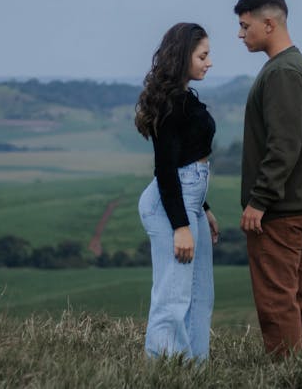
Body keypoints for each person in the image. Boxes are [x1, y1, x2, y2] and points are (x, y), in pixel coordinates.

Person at [234, 0, 302, 356]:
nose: (240, 35)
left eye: (244, 26)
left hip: (281, 212)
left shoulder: (282, 73)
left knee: (277, 303)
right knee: (300, 296)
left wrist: (259, 201)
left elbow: (283, 146)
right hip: (300, 206)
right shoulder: (293, 66)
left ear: (268, 24)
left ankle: (288, 375)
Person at [135, 22, 219, 360]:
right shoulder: (171, 103)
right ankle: (162, 373)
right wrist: (181, 225)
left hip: (190, 201)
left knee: (199, 295)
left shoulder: (185, 97)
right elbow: (167, 169)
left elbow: (187, 158)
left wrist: (204, 208)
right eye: (203, 55)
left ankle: (195, 371)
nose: (209, 62)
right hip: (171, 205)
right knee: (172, 298)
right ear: (184, 56)